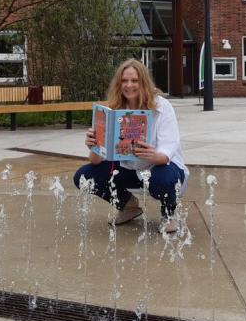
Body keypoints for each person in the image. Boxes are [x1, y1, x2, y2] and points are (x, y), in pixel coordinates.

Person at [73, 59, 188, 233]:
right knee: (84, 176)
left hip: (160, 167)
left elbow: (167, 152)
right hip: (131, 168)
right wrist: (94, 146)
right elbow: (96, 161)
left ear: (144, 82)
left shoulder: (162, 107)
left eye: (134, 80)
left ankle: (169, 213)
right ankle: (128, 205)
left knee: (163, 179)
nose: (129, 85)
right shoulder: (114, 110)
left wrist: (152, 155)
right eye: (124, 81)